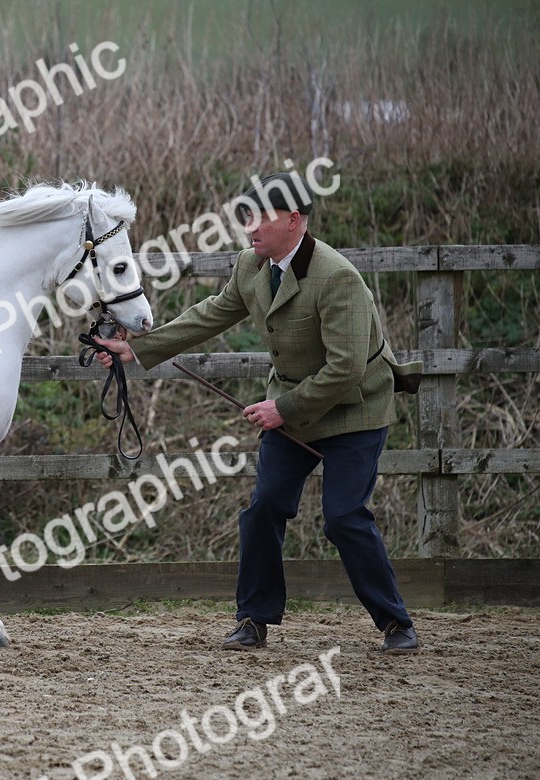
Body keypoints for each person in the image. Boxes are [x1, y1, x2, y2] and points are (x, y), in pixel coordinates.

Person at [94, 173, 424, 654]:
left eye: (258, 218)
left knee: (344, 517)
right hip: (289, 411)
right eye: (244, 217)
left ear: (294, 220)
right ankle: (253, 619)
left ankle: (396, 623)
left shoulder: (338, 278)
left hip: (355, 410)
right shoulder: (252, 267)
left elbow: (347, 369)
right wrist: (138, 349)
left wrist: (281, 407)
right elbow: (211, 314)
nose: (248, 227)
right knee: (263, 507)